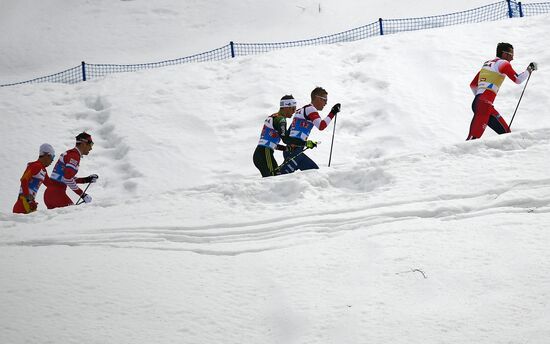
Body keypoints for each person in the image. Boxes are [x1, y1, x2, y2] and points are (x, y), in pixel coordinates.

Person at [467, 42, 537, 140]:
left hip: (483, 104)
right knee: (472, 140)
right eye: (511, 55)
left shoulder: (487, 64)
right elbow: (518, 79)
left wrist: (480, 97)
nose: (512, 58)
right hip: (484, 105)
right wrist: (529, 69)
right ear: (504, 54)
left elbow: (473, 85)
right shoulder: (503, 63)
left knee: (507, 134)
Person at [280, 87, 340, 173]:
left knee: (314, 172)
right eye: (325, 100)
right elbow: (321, 126)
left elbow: (288, 134)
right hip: (295, 151)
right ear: (317, 98)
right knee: (281, 177)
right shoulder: (310, 109)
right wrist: (332, 112)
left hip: (293, 150)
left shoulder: (301, 110)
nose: (326, 103)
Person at [44, 132, 98, 209]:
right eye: (91, 144)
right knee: (73, 215)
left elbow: (64, 177)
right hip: (57, 194)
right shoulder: (74, 156)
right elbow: (67, 178)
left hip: (50, 194)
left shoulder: (70, 154)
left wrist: (86, 179)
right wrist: (82, 195)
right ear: (83, 143)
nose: (91, 148)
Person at [253, 95, 297, 177]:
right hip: (264, 154)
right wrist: (304, 143)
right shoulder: (281, 120)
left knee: (274, 178)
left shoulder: (274, 117)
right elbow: (286, 139)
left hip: (262, 153)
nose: (294, 111)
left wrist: (286, 148)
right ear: (286, 107)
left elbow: (270, 143)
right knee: (273, 179)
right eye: (293, 108)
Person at [12, 143, 56, 214]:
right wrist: (28, 199)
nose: (52, 161)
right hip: (23, 203)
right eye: (52, 157)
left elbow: (50, 184)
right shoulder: (36, 166)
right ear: (47, 155)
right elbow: (24, 180)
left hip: (29, 203)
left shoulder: (43, 170)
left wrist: (66, 177)